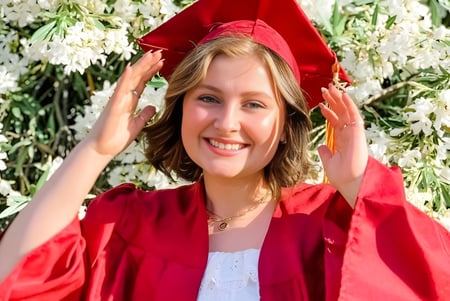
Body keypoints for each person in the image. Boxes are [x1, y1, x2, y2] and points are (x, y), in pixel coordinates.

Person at [0, 0, 449, 300]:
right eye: (208, 97)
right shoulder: (132, 224)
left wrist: (356, 187)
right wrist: (96, 149)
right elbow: (16, 273)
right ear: (181, 108)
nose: (226, 122)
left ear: (288, 122)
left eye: (254, 104)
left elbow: (434, 283)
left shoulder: (328, 227)